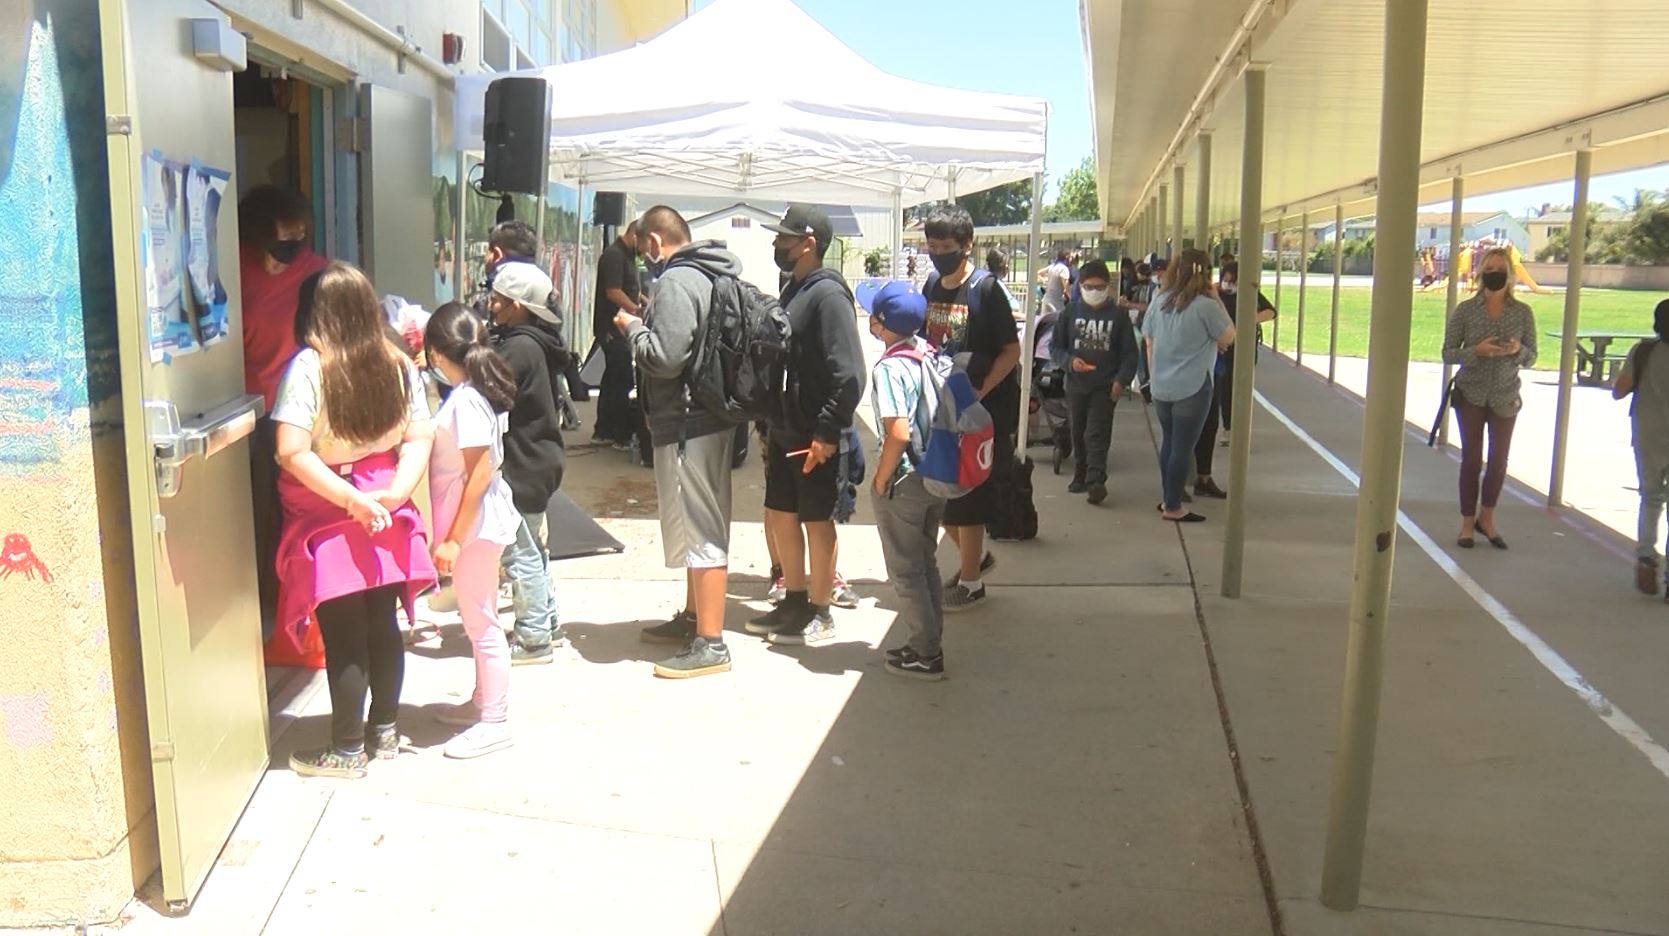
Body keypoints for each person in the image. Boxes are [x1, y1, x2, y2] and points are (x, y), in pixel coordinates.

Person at [271, 262, 436, 778]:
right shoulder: (397, 362)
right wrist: (394, 494)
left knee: (344, 635)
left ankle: (345, 750)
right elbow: (420, 436)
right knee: (382, 624)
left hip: (330, 516)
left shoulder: (308, 367)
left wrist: (350, 501)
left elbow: (291, 451)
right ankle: (383, 730)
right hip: (387, 512)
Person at [619, 206, 743, 678]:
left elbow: (666, 356)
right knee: (697, 524)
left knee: (701, 525)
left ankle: (710, 643)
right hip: (709, 415)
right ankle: (695, 620)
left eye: (643, 248)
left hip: (691, 421)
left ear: (654, 241)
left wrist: (631, 328)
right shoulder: (712, 275)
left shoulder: (674, 281)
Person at [744, 206, 865, 646]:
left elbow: (850, 374)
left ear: (809, 243)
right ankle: (794, 601)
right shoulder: (794, 288)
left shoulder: (829, 296)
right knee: (781, 513)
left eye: (785, 239)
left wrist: (828, 432)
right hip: (785, 427)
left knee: (816, 520)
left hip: (814, 432)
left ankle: (821, 610)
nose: (778, 245)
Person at [422, 303, 521, 759]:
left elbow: (478, 474)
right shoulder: (470, 392)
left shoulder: (465, 400)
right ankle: (483, 702)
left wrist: (454, 539)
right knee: (478, 616)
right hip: (477, 523)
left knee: (481, 622)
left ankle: (495, 719)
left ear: (437, 353)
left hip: (476, 527)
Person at [238, 185, 329, 642]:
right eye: (281, 245)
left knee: (298, 509)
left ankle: (298, 606)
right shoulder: (233, 268)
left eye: (298, 241)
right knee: (256, 512)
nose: (290, 253)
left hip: (301, 414)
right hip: (249, 414)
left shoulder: (318, 275)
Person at [921, 205, 1020, 611]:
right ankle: (974, 559)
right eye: (932, 245)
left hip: (981, 412)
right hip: (943, 410)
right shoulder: (931, 285)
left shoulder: (987, 290)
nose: (938, 252)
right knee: (944, 496)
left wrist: (980, 392)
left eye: (946, 245)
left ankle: (972, 582)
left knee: (969, 498)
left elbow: (1011, 351)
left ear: (967, 245)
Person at [865, 282, 948, 680]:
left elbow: (897, 432)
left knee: (905, 570)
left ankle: (925, 652)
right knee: (925, 560)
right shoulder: (928, 354)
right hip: (937, 473)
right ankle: (931, 640)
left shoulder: (890, 368)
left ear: (881, 324)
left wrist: (881, 480)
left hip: (906, 478)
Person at [487, 263, 567, 664]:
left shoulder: (518, 348)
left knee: (520, 554)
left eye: (498, 300)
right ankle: (547, 621)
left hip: (523, 464)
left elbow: (487, 390)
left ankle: (534, 638)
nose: (492, 305)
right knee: (534, 548)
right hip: (540, 461)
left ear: (517, 306)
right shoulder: (537, 341)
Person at [1442, 246, 1537, 550]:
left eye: (1500, 269)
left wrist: (1516, 351)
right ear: (1481, 272)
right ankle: (1467, 523)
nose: (1494, 273)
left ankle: (1488, 518)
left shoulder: (1522, 313)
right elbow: (1448, 353)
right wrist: (1476, 352)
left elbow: (1532, 356)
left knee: (1498, 462)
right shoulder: (1466, 311)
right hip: (1471, 392)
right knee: (1471, 459)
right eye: (1489, 268)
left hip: (1505, 395)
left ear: (1510, 275)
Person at [1142, 248, 1235, 523]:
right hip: (1193, 387)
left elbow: (1148, 339)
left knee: (1169, 442)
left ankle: (1168, 495)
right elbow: (1229, 336)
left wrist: (1154, 373)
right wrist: (1217, 297)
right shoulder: (1205, 306)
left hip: (1161, 386)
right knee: (1182, 447)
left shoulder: (1159, 300)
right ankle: (1173, 506)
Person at [1050, 260, 1139, 506]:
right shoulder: (1071, 312)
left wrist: (1121, 380)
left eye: (1099, 286)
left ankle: (1096, 479)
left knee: (1096, 433)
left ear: (1107, 286)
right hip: (1076, 383)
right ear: (1081, 285)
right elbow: (1055, 347)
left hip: (1105, 385)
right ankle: (1080, 474)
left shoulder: (1118, 316)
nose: (1094, 291)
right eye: (1088, 286)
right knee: (1077, 431)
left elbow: (1130, 354)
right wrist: (1070, 362)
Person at [1614, 299, 1669, 596]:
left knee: (1650, 498)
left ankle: (1646, 558)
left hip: (1647, 433)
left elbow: (1619, 390)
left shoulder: (1643, 351)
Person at [593, 220, 645, 449]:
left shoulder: (628, 257)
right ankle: (618, 434)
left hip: (620, 327)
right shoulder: (614, 255)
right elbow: (613, 292)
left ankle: (603, 430)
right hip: (612, 328)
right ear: (635, 235)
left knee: (613, 378)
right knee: (622, 377)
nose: (645, 251)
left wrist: (644, 302)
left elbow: (632, 288)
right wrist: (635, 311)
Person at [1215, 260, 1276, 441]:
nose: (1228, 285)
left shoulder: (1250, 294)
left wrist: (1250, 319)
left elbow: (1271, 312)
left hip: (1245, 347)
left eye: (1233, 281)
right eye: (1225, 280)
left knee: (1242, 386)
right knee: (1225, 388)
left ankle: (1241, 427)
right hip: (1225, 347)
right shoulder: (1216, 293)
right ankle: (1228, 426)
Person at [1120, 261, 1158, 402]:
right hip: (1142, 326)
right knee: (1142, 356)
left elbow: (1149, 307)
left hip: (1147, 329)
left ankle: (1146, 385)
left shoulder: (1153, 289)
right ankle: (1145, 384)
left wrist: (1129, 304)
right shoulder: (1144, 287)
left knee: (1144, 357)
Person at [1038, 249, 1072, 321]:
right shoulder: (1064, 269)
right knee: (1061, 321)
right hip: (1056, 301)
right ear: (1067, 257)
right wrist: (1071, 298)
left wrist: (1044, 280)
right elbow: (1065, 285)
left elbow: (1038, 273)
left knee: (1044, 322)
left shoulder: (1052, 266)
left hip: (1046, 299)